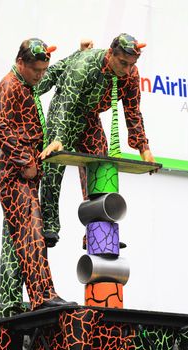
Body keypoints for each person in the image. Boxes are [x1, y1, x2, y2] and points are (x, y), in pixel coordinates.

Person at [38, 33, 155, 248]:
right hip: (65, 111)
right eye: (123, 63)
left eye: (132, 64)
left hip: (89, 117)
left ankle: (98, 231)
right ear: (110, 54)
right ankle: (49, 224)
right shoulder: (85, 64)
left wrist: (143, 148)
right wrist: (58, 138)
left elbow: (133, 111)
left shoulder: (130, 75)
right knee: (54, 164)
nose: (127, 69)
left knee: (102, 168)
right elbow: (66, 102)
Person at [0, 38, 76, 325]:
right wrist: (25, 162)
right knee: (32, 235)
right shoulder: (10, 86)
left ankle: (24, 300)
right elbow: (0, 127)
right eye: (37, 70)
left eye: (44, 70)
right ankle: (42, 295)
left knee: (23, 239)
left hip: (25, 171)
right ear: (21, 63)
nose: (41, 76)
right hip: (15, 172)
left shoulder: (26, 85)